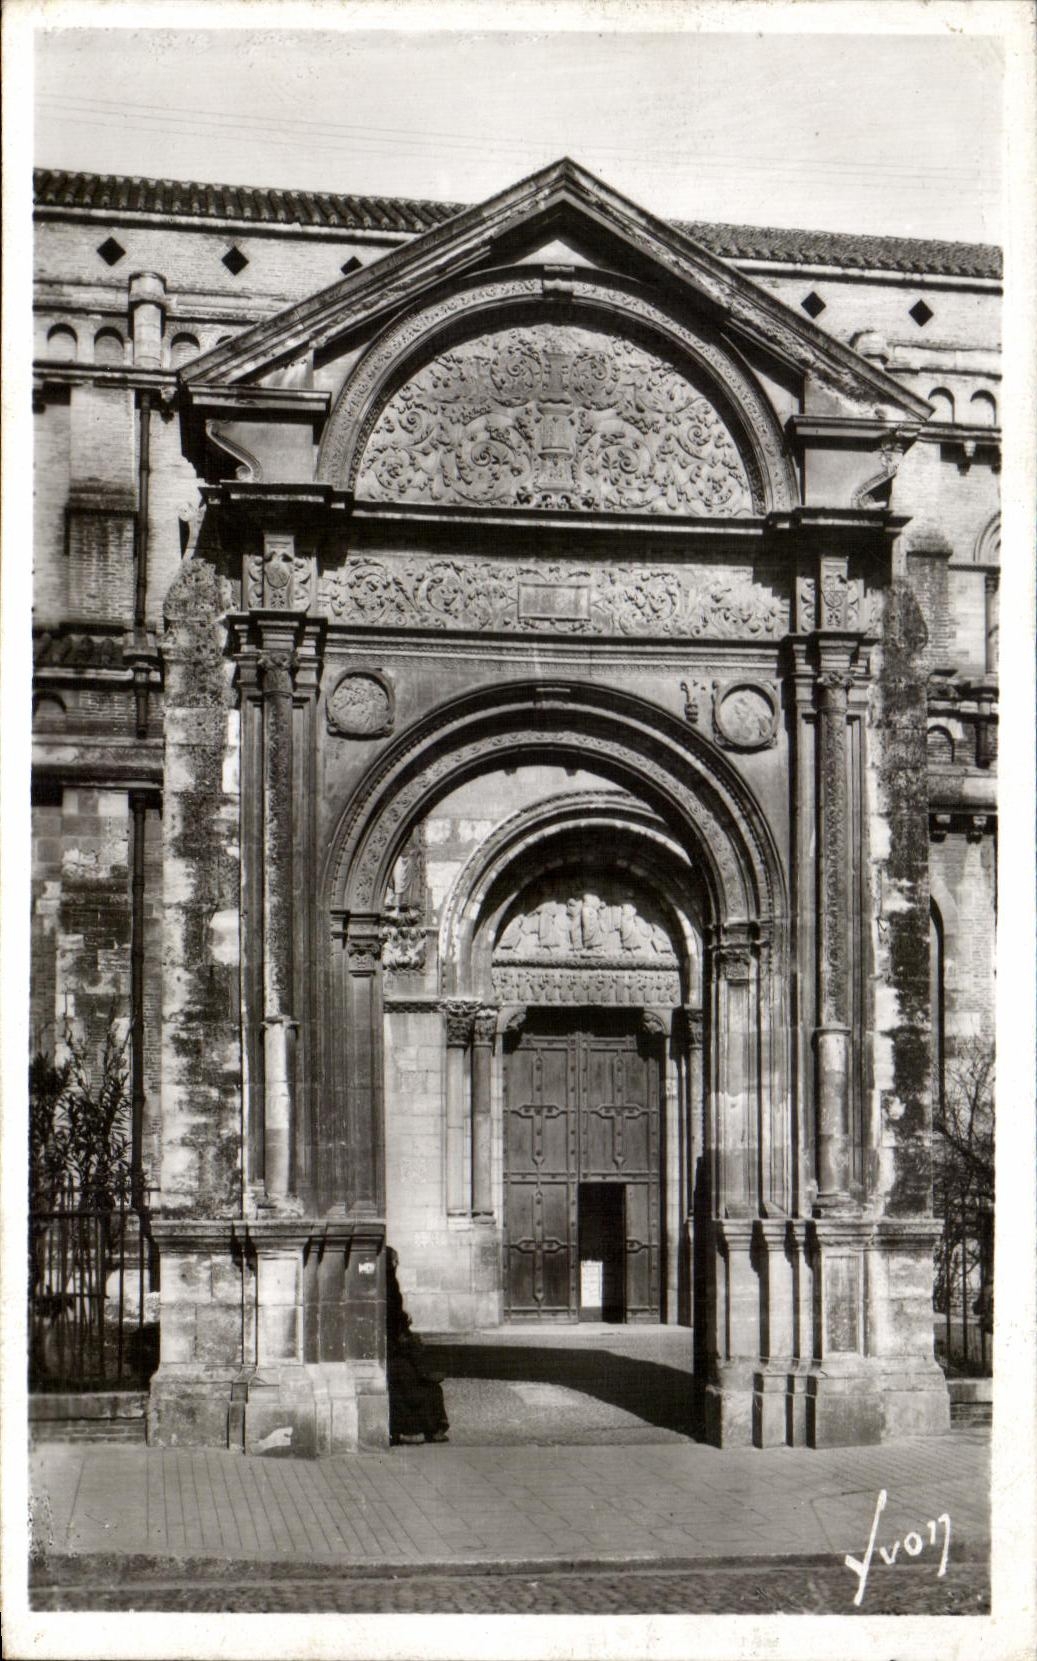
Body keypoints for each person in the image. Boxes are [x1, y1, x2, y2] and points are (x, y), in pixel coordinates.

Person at [385, 1249, 449, 1444]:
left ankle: (407, 1430)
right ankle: (433, 1429)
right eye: (394, 1261)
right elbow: (392, 1316)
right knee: (423, 1386)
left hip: (396, 1348)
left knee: (414, 1380)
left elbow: (393, 1313)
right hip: (395, 1350)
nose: (396, 1265)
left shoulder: (389, 1283)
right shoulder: (389, 1284)